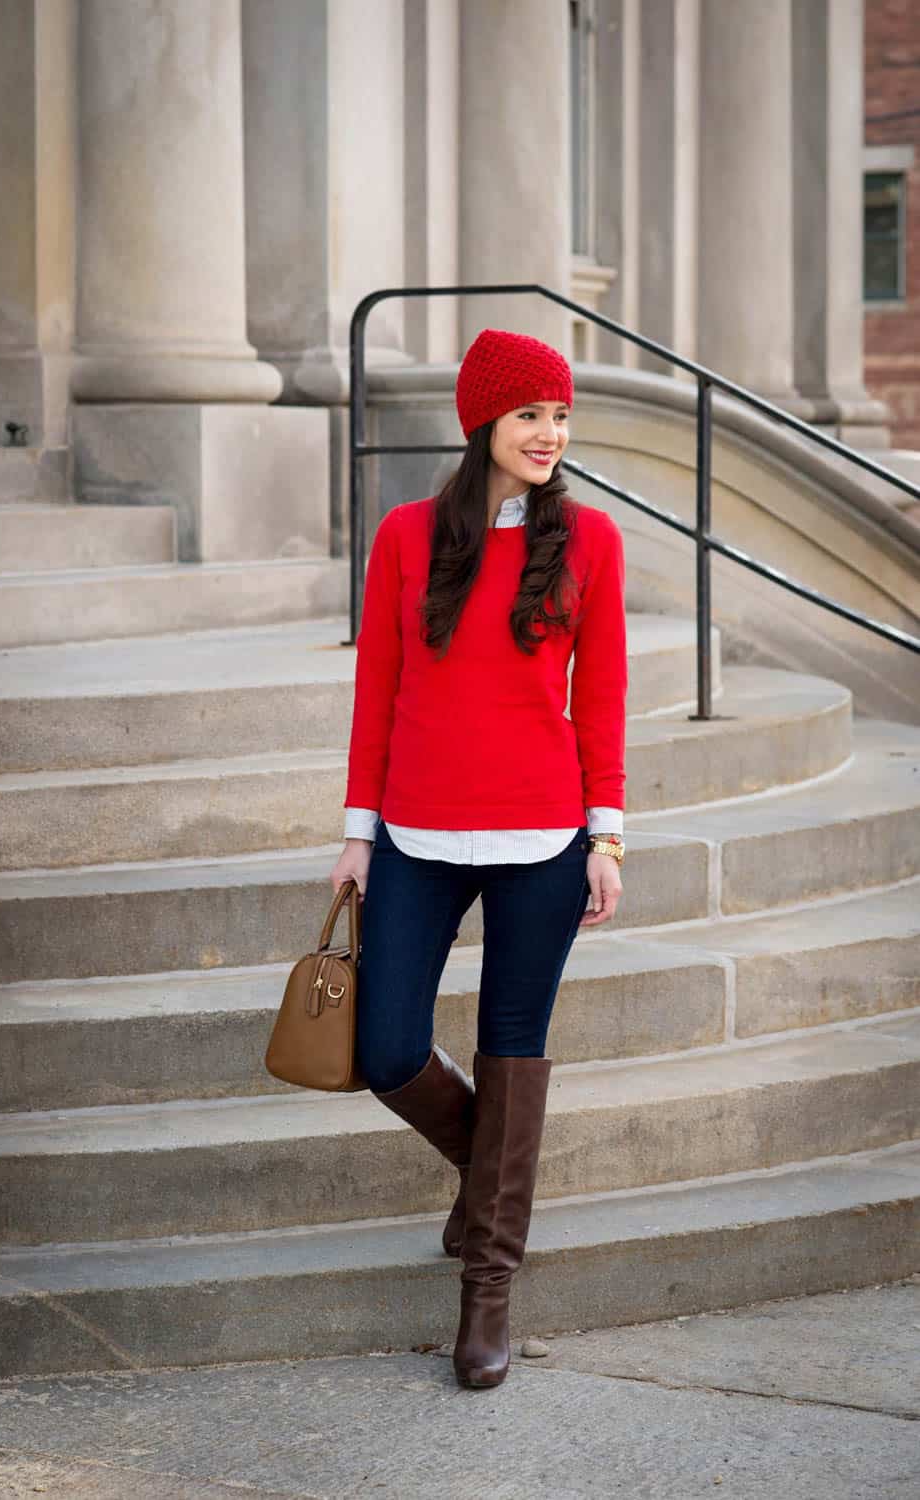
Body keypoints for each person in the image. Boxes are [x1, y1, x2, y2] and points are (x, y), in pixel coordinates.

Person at [329, 327, 628, 1390]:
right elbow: (378, 693)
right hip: (415, 828)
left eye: (559, 415)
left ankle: (487, 1286)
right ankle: (486, 1170)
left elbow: (599, 698)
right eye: (528, 415)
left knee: (513, 1044)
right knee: (384, 1044)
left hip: (543, 837)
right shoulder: (408, 535)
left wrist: (605, 835)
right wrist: (358, 832)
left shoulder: (588, 538)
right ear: (481, 423)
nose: (549, 433)